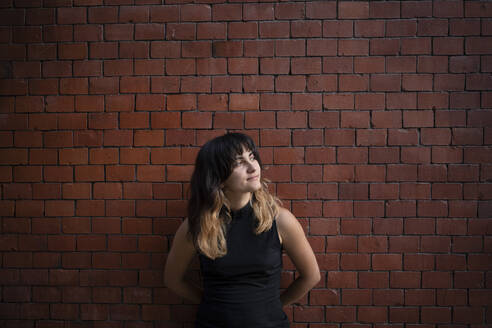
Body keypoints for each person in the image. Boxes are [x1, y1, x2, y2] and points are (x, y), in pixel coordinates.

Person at [164, 132, 320, 327]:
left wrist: (272, 306)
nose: (252, 166)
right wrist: (212, 304)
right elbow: (172, 279)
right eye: (239, 162)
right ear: (218, 178)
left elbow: (311, 276)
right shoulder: (197, 225)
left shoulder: (281, 220)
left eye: (252, 156)